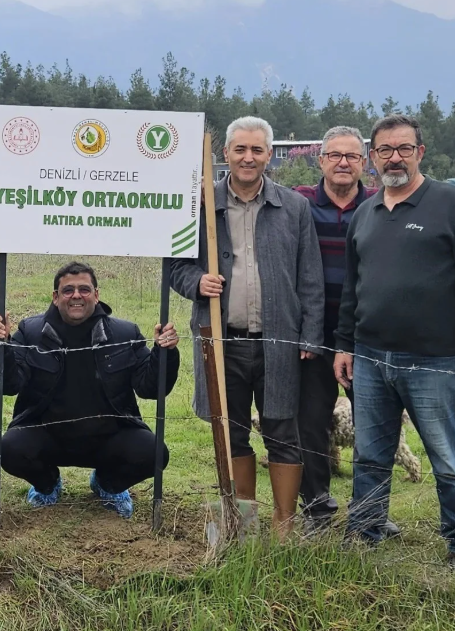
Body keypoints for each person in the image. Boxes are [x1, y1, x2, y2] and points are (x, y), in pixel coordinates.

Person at [170, 115, 325, 540]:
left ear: (269, 155)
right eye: (240, 149)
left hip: (279, 342)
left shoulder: (293, 207)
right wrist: (196, 282)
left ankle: (283, 523)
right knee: (230, 431)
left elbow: (309, 277)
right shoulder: (201, 204)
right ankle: (242, 523)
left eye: (257, 150)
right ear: (226, 154)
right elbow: (176, 266)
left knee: (282, 429)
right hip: (222, 341)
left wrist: (310, 334)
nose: (248, 157)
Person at [334, 114, 455, 567]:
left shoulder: (449, 203)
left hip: (435, 360)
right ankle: (365, 532)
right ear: (373, 157)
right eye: (385, 150)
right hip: (369, 358)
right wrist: (345, 345)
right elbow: (353, 287)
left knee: (447, 457)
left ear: (420, 152)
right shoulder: (365, 213)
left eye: (404, 148)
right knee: (370, 455)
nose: (394, 157)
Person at [0, 261, 179, 519]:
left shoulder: (124, 333)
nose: (76, 296)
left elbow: (150, 388)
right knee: (8, 448)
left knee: (153, 453)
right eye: (68, 290)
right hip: (46, 436)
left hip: (110, 437)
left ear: (97, 295)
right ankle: (47, 485)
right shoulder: (30, 333)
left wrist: (165, 352)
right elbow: (7, 385)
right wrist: (2, 347)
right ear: (55, 297)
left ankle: (107, 485)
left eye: (84, 289)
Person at [291, 126, 399, 538]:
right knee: (310, 424)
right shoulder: (297, 203)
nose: (343, 163)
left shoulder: (381, 206)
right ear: (320, 160)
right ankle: (317, 509)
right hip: (311, 336)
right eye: (334, 155)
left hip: (366, 336)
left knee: (374, 426)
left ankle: (369, 510)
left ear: (365, 162)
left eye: (352, 156)